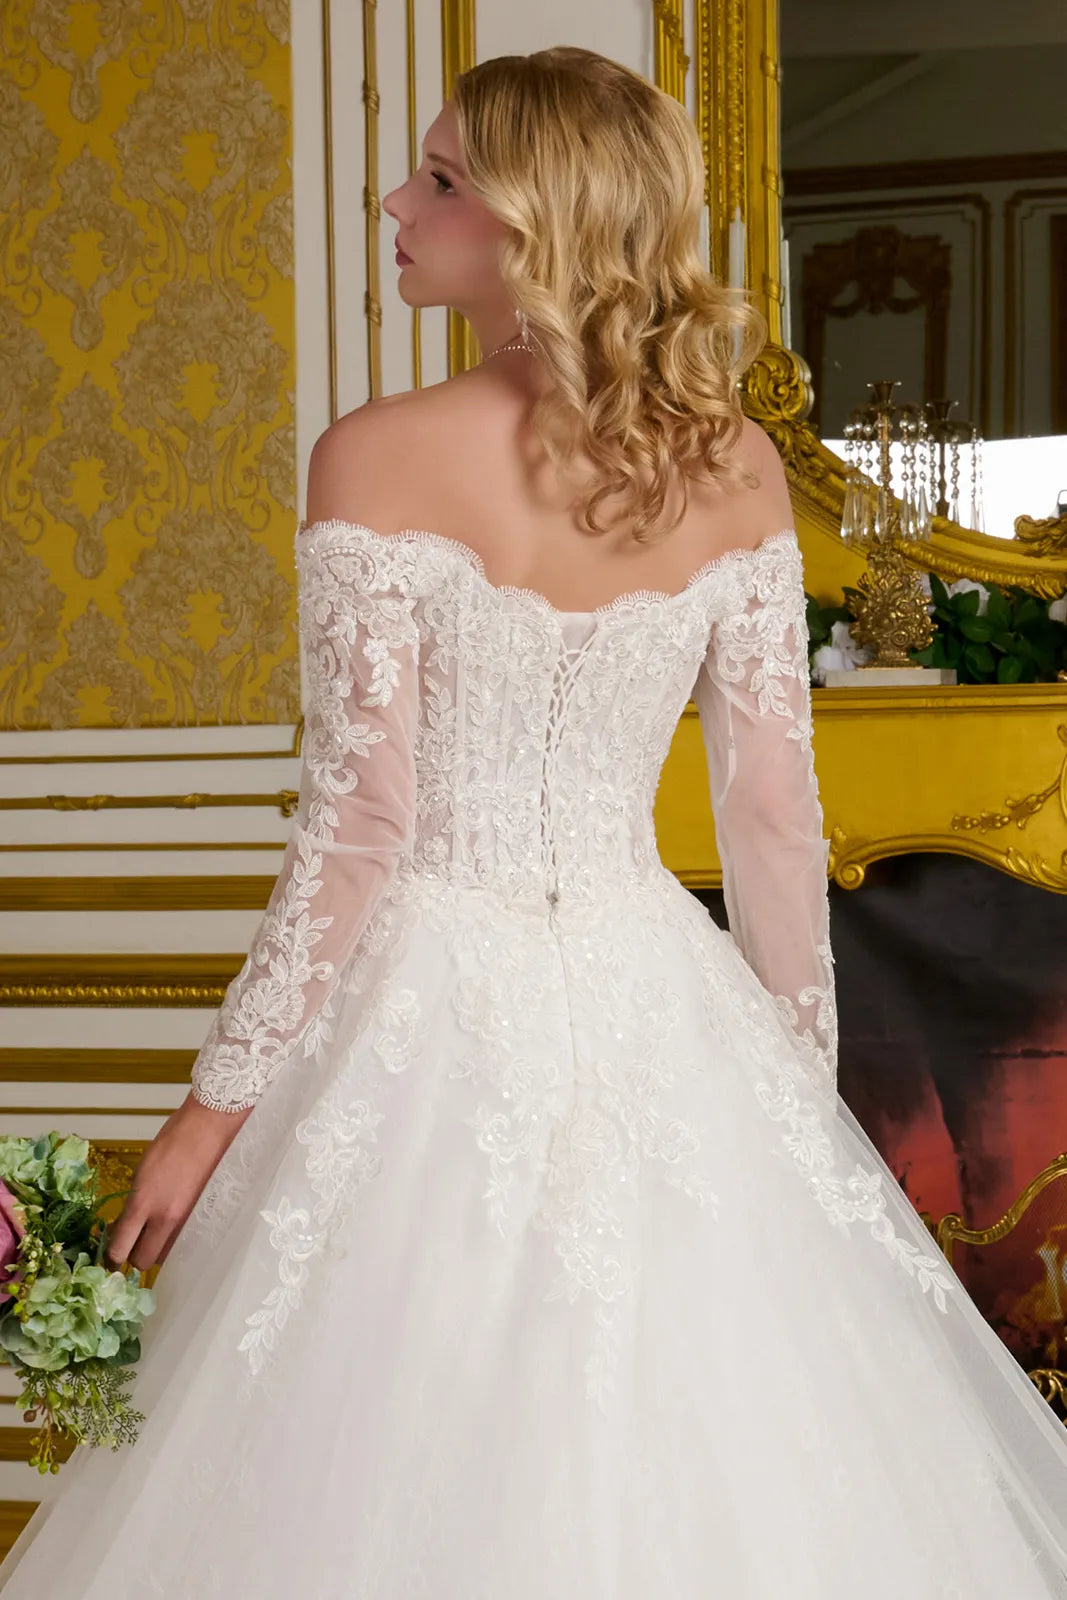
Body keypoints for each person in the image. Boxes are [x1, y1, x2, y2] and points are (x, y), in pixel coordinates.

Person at [2, 44, 1066, 1600]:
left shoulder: (375, 456)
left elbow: (360, 830)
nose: (396, 201)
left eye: (439, 180)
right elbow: (774, 820)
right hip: (660, 998)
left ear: (536, 221)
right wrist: (790, 1108)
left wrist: (206, 1116)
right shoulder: (735, 467)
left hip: (427, 999)